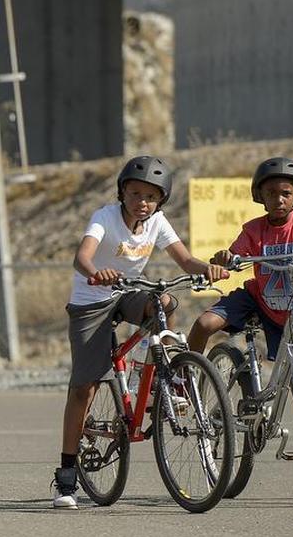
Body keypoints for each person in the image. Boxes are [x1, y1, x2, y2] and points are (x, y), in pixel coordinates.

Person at [52, 156, 227, 510]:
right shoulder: (105, 217)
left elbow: (185, 260)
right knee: (83, 387)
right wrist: (95, 272)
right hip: (92, 300)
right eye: (134, 194)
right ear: (122, 192)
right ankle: (66, 476)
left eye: (150, 196)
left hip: (128, 294)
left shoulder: (157, 222)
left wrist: (206, 269)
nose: (141, 202)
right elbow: (81, 256)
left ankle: (167, 379)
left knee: (164, 302)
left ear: (160, 201)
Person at [186, 157, 293, 500]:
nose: (278, 199)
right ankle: (185, 382)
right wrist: (227, 258)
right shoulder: (254, 229)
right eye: (270, 193)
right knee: (205, 322)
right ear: (260, 196)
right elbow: (236, 255)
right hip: (257, 300)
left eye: (285, 192)